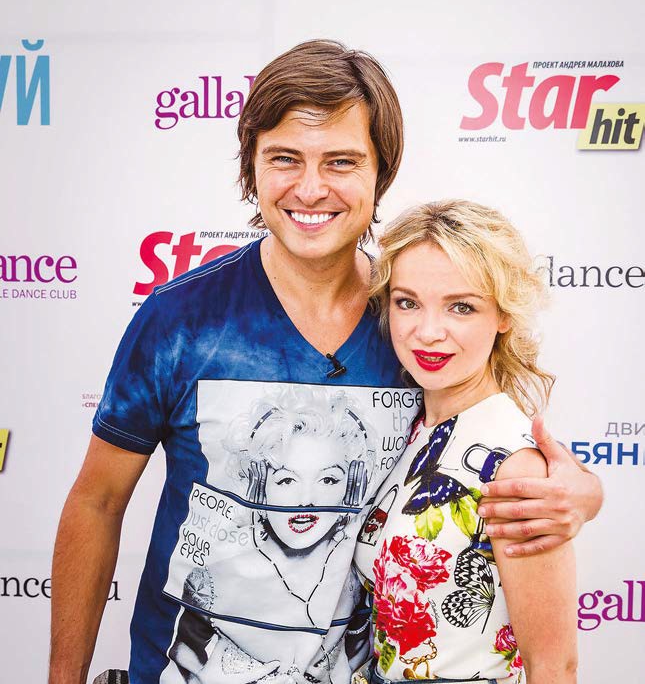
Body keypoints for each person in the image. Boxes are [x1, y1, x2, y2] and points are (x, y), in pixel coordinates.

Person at [49, 40, 600, 684]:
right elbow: (96, 502)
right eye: (285, 158)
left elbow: (491, 445)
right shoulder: (179, 319)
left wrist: (582, 494)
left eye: (341, 161)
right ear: (252, 168)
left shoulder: (412, 325)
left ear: (380, 173)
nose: (311, 189)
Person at [354, 200, 577, 684]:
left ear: (503, 315)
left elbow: (554, 665)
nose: (428, 332)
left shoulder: (514, 466)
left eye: (461, 307)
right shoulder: (409, 430)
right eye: (407, 302)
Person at [163, 386, 378, 683]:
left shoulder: (357, 577)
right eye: (286, 480)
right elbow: (183, 664)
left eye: (328, 479)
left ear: (350, 488)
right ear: (260, 487)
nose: (306, 501)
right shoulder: (211, 583)